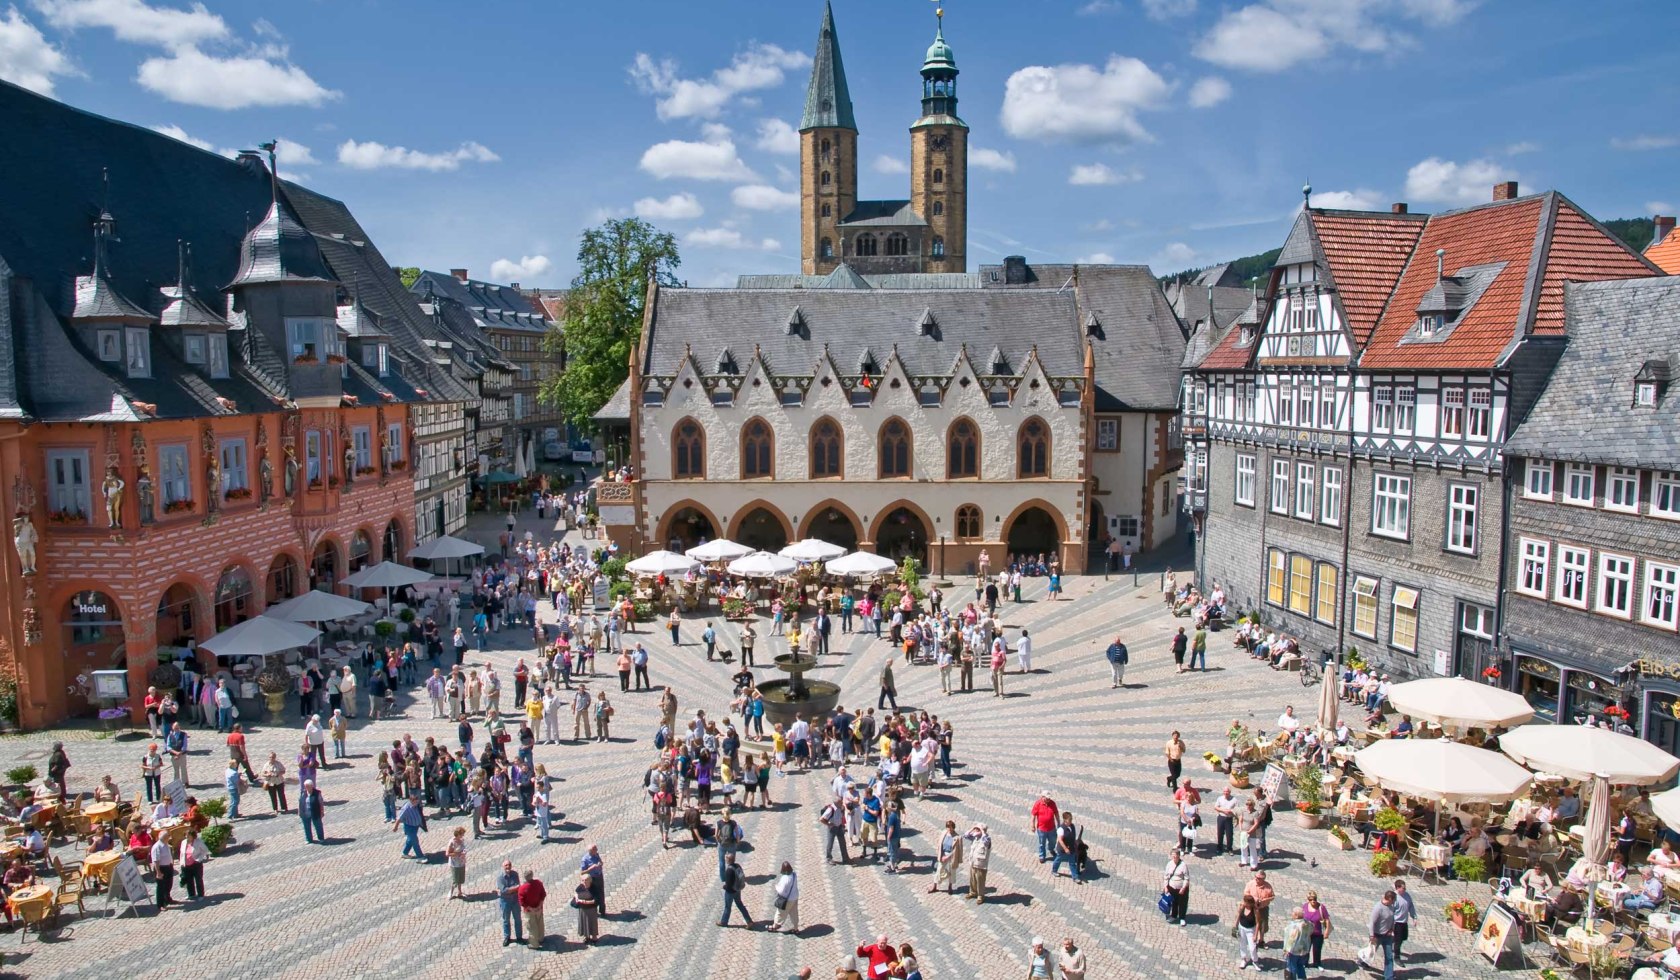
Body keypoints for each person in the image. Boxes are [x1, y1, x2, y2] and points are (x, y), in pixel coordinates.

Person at [719, 851, 752, 928]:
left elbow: (729, 885)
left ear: (728, 860)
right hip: (738, 890)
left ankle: (724, 922)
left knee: (728, 907)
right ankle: (749, 921)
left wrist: (724, 887)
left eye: (726, 859)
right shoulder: (738, 866)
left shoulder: (729, 870)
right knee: (740, 905)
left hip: (730, 892)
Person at [1369, 889, 1397, 980]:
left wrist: (1392, 929)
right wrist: (1372, 935)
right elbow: (1372, 922)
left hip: (1387, 935)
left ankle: (1389, 977)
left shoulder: (1391, 906)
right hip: (1377, 935)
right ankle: (1363, 961)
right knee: (1371, 952)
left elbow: (1393, 918)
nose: (1394, 902)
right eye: (1393, 900)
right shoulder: (1378, 908)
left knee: (1389, 956)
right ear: (1389, 899)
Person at [1245, 870, 1276, 949]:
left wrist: (1265, 900)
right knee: (1251, 924)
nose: (1256, 879)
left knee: (1263, 925)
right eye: (1256, 877)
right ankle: (1251, 940)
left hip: (1263, 909)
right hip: (1252, 908)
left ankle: (1261, 941)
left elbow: (1272, 896)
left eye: (1259, 878)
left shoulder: (1268, 886)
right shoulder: (1250, 884)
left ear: (1263, 879)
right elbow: (1246, 894)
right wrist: (1254, 899)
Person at [1301, 891, 1332, 969]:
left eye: (1314, 899)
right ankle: (1305, 962)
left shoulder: (1321, 907)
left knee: (1317, 949)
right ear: (1308, 900)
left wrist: (1327, 931)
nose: (1313, 901)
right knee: (1306, 948)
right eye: (1311, 899)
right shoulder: (1305, 906)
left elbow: (1327, 919)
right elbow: (1302, 917)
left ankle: (1317, 963)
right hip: (1307, 933)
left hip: (1318, 933)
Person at [518, 869, 547, 949]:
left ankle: (534, 944)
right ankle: (541, 938)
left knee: (531, 927)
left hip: (529, 911)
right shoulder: (538, 883)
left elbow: (522, 902)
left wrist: (531, 909)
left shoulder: (522, 888)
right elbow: (543, 894)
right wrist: (539, 906)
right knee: (540, 923)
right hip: (539, 909)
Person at [497, 861, 524, 946]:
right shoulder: (500, 877)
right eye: (506, 865)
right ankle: (507, 937)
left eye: (509, 865)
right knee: (506, 920)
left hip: (515, 901)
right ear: (503, 866)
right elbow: (503, 890)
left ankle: (519, 937)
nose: (508, 867)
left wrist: (509, 890)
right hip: (505, 902)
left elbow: (518, 886)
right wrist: (513, 889)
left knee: (518, 920)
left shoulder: (515, 874)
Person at [769, 861, 800, 934]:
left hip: (788, 899)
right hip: (795, 897)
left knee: (780, 913)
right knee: (794, 913)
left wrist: (776, 887)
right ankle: (796, 928)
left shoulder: (785, 878)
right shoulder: (794, 874)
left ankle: (774, 927)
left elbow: (781, 891)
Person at [1052, 810, 1083, 883]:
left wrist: (1075, 843)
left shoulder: (1072, 826)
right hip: (1062, 849)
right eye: (1069, 820)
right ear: (1065, 820)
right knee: (1058, 860)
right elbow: (1060, 840)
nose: (1071, 821)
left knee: (1072, 863)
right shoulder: (1061, 829)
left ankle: (1075, 877)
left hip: (1071, 848)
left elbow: (1073, 836)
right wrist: (1065, 848)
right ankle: (1054, 870)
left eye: (1071, 819)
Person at [179, 827, 208, 901]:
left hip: (196, 864)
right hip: (186, 865)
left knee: (198, 880)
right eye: (186, 835)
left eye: (188, 836)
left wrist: (199, 859)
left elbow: (205, 850)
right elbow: (182, 853)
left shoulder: (198, 842)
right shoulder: (183, 842)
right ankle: (191, 894)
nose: (187, 837)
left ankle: (201, 895)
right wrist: (181, 863)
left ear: (193, 836)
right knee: (189, 880)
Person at [1391, 878, 1415, 965]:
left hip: (1404, 922)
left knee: (1404, 937)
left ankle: (1391, 941)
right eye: (1403, 888)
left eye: (1405, 888)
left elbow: (1411, 906)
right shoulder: (1394, 898)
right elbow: (1390, 911)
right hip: (1397, 923)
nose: (1405, 890)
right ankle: (1397, 957)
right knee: (1399, 940)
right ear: (1397, 888)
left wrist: (1414, 917)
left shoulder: (1407, 895)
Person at [1283, 908, 1312, 980]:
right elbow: (1311, 930)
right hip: (1304, 950)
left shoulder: (1295, 926)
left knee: (1292, 968)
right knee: (1300, 966)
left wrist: (1287, 950)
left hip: (1294, 951)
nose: (1291, 914)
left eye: (1292, 912)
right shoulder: (1307, 923)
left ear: (1296, 916)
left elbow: (1292, 939)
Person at [1163, 847, 1190, 926]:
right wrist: (1165, 886)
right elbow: (1166, 876)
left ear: (1179, 856)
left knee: (1182, 903)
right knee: (1174, 902)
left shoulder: (1183, 865)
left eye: (1176, 856)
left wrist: (1183, 888)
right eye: (1173, 856)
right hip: (1172, 887)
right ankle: (1174, 915)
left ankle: (1182, 918)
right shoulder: (1169, 864)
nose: (1174, 858)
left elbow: (1186, 878)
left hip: (1181, 888)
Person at [1031, 792, 1060, 862]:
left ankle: (1051, 849)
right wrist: (1032, 825)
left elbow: (1056, 813)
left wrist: (1058, 823)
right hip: (1041, 829)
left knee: (1053, 841)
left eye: (1049, 798)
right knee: (1042, 843)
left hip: (1051, 828)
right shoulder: (1038, 804)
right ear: (1042, 797)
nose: (1049, 799)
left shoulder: (1052, 803)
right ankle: (1042, 856)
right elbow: (1033, 815)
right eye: (1047, 798)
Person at [966, 824, 992, 902]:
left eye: (978, 829)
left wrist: (983, 832)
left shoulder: (986, 838)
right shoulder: (975, 838)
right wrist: (972, 828)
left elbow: (986, 842)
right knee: (972, 879)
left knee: (980, 881)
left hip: (981, 865)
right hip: (973, 862)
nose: (976, 831)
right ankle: (973, 892)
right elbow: (966, 835)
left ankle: (980, 896)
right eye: (976, 829)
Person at [1236, 893, 1262, 970]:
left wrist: (1256, 935)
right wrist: (1235, 925)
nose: (1243, 903)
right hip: (1242, 928)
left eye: (1245, 902)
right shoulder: (1242, 907)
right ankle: (1244, 959)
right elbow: (1238, 915)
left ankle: (1255, 961)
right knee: (1242, 944)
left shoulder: (1255, 910)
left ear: (1249, 903)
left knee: (1252, 947)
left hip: (1251, 929)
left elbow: (1258, 923)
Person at [150, 832, 176, 907]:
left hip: (168, 866)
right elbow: (156, 860)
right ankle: (160, 904)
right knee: (161, 887)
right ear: (165, 837)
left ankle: (168, 899)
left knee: (168, 884)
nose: (169, 837)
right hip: (161, 868)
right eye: (168, 836)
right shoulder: (157, 847)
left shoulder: (166, 844)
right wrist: (158, 872)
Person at [574, 870, 600, 944]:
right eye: (583, 880)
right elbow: (576, 892)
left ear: (590, 881)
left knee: (593, 923)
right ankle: (587, 937)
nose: (584, 882)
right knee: (584, 923)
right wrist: (576, 898)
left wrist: (584, 902)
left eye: (586, 880)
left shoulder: (594, 888)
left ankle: (594, 937)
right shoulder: (581, 886)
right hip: (583, 909)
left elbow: (595, 901)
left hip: (591, 909)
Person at [298, 779, 325, 844]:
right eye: (305, 786)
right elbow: (300, 802)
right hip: (305, 812)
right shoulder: (303, 793)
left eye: (307, 786)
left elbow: (320, 803)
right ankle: (309, 839)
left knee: (318, 825)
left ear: (312, 786)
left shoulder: (317, 793)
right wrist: (299, 811)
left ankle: (321, 838)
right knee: (306, 826)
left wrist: (322, 811)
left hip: (315, 812)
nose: (306, 787)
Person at [446, 827, 468, 899]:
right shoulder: (452, 842)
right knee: (455, 879)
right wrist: (458, 854)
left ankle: (459, 892)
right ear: (458, 834)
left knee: (461, 878)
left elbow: (463, 848)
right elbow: (447, 853)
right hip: (454, 863)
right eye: (462, 834)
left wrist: (464, 852)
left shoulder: (462, 840)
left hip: (461, 862)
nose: (463, 835)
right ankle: (451, 892)